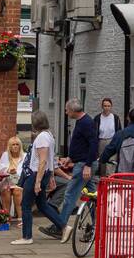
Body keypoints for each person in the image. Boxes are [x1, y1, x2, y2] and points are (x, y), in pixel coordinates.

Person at [42, 100, 98, 244]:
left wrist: (88, 165)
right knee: (93, 196)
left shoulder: (87, 123)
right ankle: (98, 226)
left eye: (67, 110)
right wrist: (70, 158)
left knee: (70, 195)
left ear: (73, 111)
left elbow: (93, 145)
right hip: (81, 162)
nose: (66, 112)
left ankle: (59, 226)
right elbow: (81, 144)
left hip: (84, 165)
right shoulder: (82, 122)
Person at [12, 110, 65, 246]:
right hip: (44, 173)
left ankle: (27, 236)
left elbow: (42, 161)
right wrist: (51, 176)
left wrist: (38, 182)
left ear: (36, 123)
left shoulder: (42, 137)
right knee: (42, 204)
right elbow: (51, 158)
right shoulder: (49, 135)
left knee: (25, 205)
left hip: (36, 174)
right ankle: (64, 227)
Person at [0, 136, 25, 223]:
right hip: (6, 181)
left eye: (17, 144)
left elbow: (26, 172)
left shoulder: (25, 156)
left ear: (20, 146)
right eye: (13, 145)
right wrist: (7, 170)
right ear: (9, 146)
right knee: (6, 191)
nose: (15, 146)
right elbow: (0, 169)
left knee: (17, 192)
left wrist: (15, 173)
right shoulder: (5, 155)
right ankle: (7, 218)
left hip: (20, 182)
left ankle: (21, 218)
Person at [96, 98, 121, 166]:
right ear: (102, 106)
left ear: (111, 106)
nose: (107, 108)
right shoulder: (97, 118)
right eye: (105, 106)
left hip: (112, 141)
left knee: (111, 162)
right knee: (102, 162)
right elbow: (95, 131)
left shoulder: (116, 118)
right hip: (101, 141)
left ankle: (110, 176)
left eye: (108, 106)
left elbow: (119, 131)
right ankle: (103, 175)